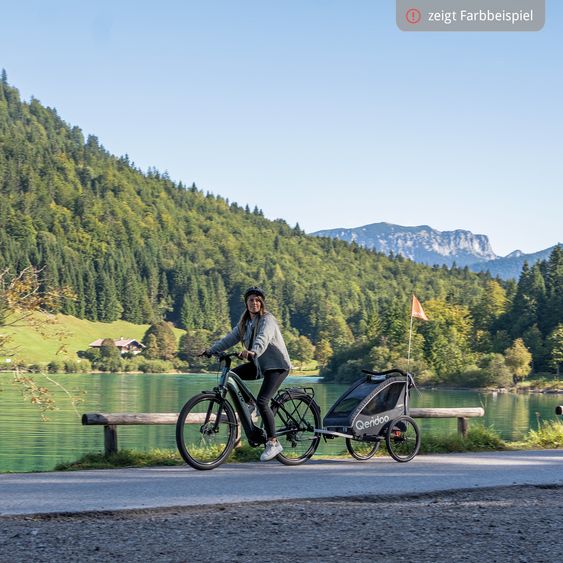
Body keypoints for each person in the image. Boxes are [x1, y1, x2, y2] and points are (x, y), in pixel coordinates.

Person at [204, 286, 291, 461]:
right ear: (246, 303)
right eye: (251, 300)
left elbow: (263, 338)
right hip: (260, 365)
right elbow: (229, 338)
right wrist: (211, 351)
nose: (254, 303)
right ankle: (249, 403)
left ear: (262, 303)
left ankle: (273, 443)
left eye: (258, 300)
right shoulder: (245, 323)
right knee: (233, 375)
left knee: (263, 401)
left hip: (277, 366)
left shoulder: (268, 320)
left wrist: (253, 351)